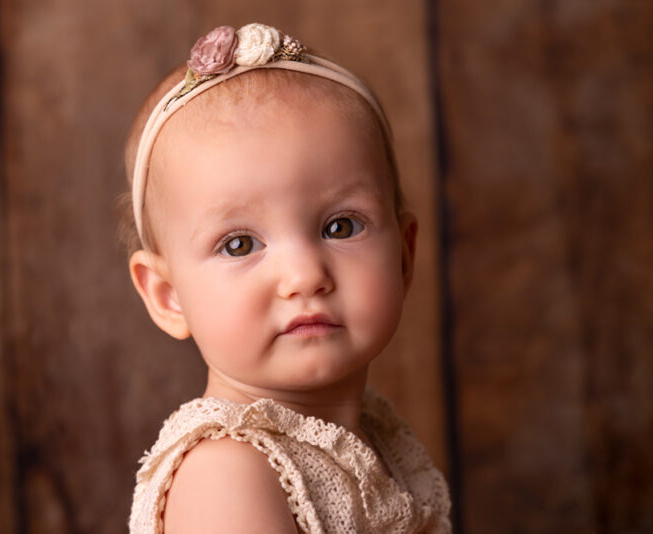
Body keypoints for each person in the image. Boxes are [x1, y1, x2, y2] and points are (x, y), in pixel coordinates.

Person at [119, 22, 451, 533]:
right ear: (168, 297)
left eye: (340, 226)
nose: (304, 276)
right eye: (240, 244)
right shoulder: (225, 473)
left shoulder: (369, 438)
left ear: (404, 257)